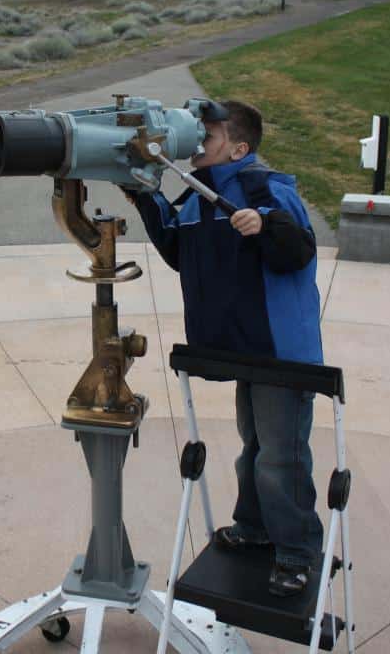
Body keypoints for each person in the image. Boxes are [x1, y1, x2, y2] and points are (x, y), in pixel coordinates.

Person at [127, 99, 323, 596]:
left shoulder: (266, 188)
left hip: (280, 352)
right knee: (253, 449)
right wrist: (142, 194)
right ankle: (255, 528)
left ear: (239, 147)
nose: (195, 143)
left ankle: (297, 552)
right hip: (244, 350)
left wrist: (264, 224)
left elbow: (298, 249)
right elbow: (178, 252)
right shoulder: (198, 195)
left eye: (207, 135)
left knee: (281, 456)